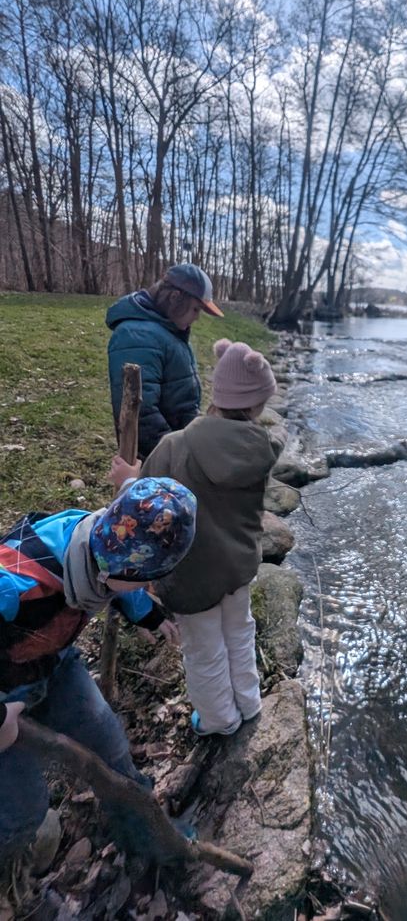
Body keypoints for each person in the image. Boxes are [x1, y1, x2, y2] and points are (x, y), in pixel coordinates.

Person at [0, 478, 197, 864]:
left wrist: (148, 615)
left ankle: (144, 834)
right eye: (146, 579)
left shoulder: (100, 542)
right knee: (24, 810)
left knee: (110, 748)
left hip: (52, 668)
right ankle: (9, 869)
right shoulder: (13, 585)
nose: (151, 584)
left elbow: (125, 579)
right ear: (108, 569)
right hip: (5, 702)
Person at [111, 339, 285, 737]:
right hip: (239, 564)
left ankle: (219, 719)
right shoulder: (265, 446)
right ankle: (249, 702)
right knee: (240, 632)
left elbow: (148, 501)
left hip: (193, 572)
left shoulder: (176, 445)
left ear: (217, 394)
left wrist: (127, 481)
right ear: (258, 406)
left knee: (205, 649)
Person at [106, 264, 224, 460]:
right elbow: (141, 414)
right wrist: (178, 455)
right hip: (158, 457)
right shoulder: (136, 336)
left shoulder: (168, 330)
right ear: (175, 298)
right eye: (195, 309)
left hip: (175, 445)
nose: (197, 318)